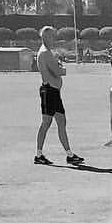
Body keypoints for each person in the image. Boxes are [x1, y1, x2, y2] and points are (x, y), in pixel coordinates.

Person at [34, 25, 84, 167]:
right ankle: (39, 155)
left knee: (61, 121)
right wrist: (62, 68)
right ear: (45, 37)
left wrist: (58, 66)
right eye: (51, 36)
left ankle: (69, 154)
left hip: (53, 92)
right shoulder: (45, 53)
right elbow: (58, 71)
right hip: (49, 91)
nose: (53, 39)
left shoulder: (47, 52)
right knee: (46, 123)